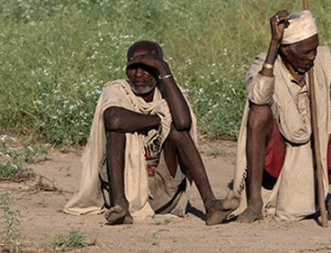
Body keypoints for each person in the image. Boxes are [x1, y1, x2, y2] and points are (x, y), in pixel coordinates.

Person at [65, 41, 238, 226]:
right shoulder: (118, 89)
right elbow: (114, 119)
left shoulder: (169, 92)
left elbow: (183, 122)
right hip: (125, 189)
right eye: (133, 68)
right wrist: (160, 119)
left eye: (147, 68)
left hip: (161, 192)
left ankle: (211, 204)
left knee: (177, 131)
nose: (138, 74)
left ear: (158, 69)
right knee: (117, 131)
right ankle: (121, 206)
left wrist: (165, 71)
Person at [231, 9, 331, 224]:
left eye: (314, 49)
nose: (312, 56)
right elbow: (258, 96)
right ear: (285, 50)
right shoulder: (264, 63)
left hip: (318, 141)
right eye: (305, 52)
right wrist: (273, 44)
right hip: (281, 147)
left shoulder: (320, 59)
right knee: (258, 113)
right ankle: (255, 204)